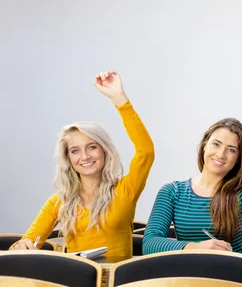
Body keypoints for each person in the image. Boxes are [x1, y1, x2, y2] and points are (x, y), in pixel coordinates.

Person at [12, 71, 155, 257]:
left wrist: (119, 98)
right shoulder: (59, 201)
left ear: (104, 150)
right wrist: (22, 245)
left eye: (92, 147)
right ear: (68, 158)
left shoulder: (125, 190)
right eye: (75, 151)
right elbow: (26, 243)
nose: (85, 156)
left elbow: (146, 152)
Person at [143, 87, 242, 254]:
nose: (221, 154)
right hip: (186, 276)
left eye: (231, 149)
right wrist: (195, 248)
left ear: (238, 158)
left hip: (232, 275)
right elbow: (149, 244)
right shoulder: (172, 192)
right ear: (204, 145)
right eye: (216, 144)